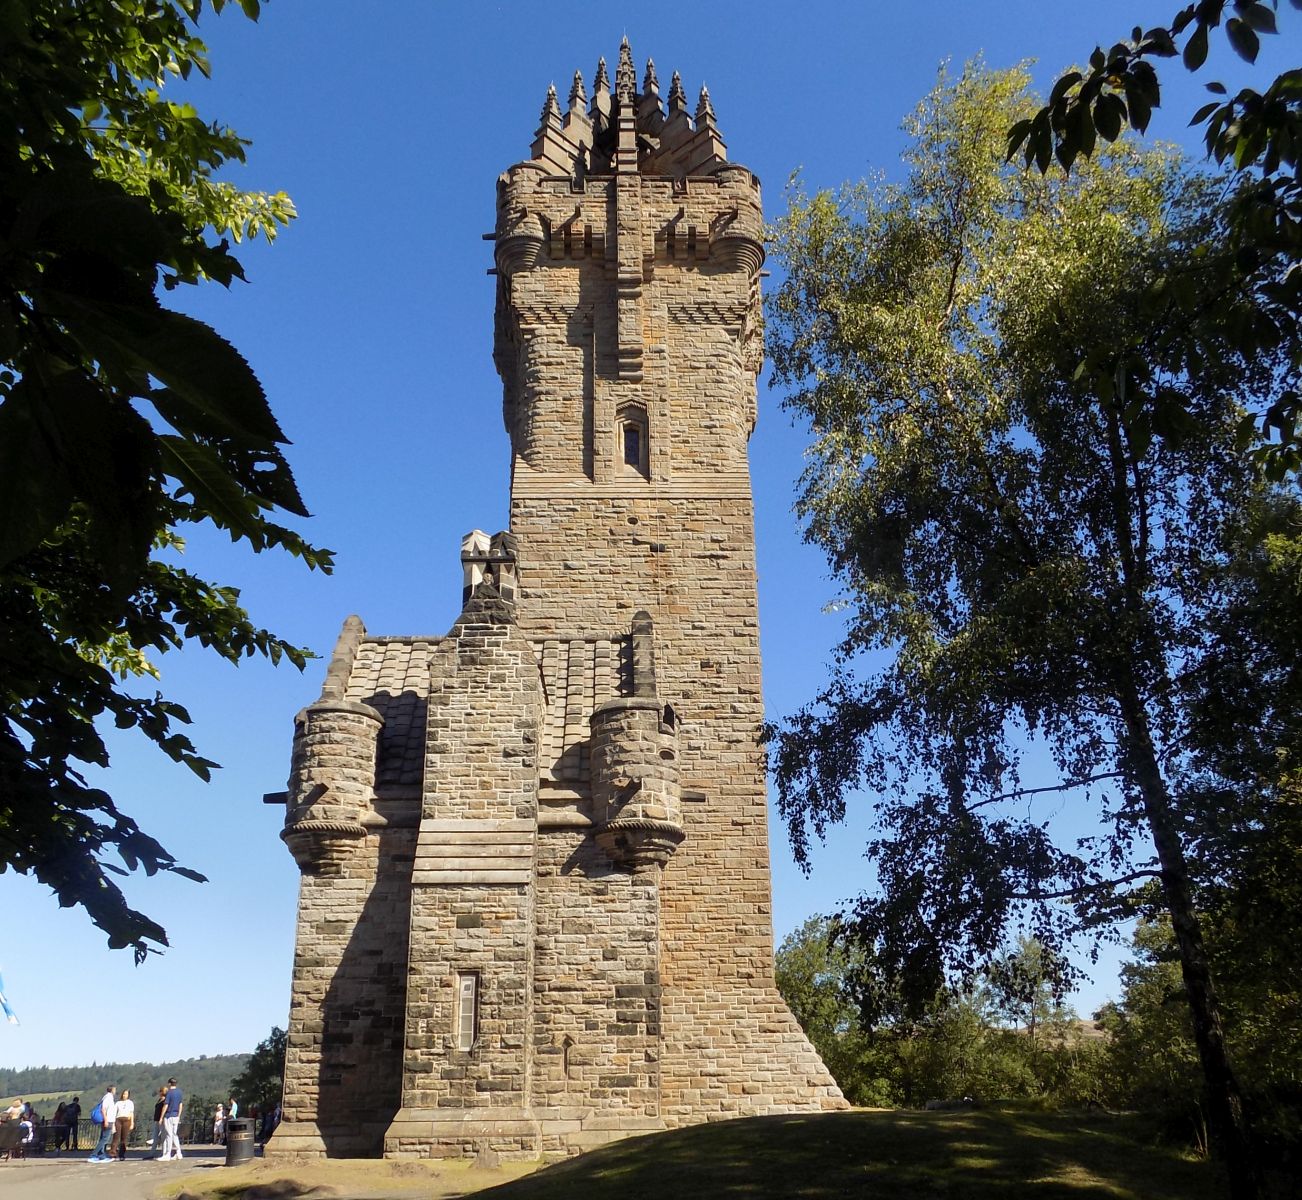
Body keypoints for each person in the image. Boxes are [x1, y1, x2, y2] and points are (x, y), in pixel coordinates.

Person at [87, 1084, 116, 1163]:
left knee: (103, 1138)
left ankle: (101, 1155)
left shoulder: (107, 1097)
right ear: (112, 1090)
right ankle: (93, 1155)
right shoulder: (108, 1098)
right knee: (105, 1139)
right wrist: (106, 1120)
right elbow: (103, 1109)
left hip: (108, 1120)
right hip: (108, 1120)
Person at [159, 1077, 183, 1160]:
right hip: (176, 1115)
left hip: (169, 1115)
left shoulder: (169, 1092)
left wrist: (161, 1117)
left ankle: (167, 1154)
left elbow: (166, 1105)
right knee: (174, 1134)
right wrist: (179, 1115)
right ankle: (179, 1153)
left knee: (169, 1135)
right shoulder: (179, 1092)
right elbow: (180, 1104)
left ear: (169, 1084)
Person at [112, 1088, 134, 1161]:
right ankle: (113, 1154)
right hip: (118, 1119)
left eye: (126, 1094)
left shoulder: (130, 1103)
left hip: (126, 1120)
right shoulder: (118, 1103)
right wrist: (113, 1123)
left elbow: (131, 1113)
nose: (125, 1095)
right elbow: (114, 1113)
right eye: (124, 1094)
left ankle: (122, 1154)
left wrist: (132, 1123)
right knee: (116, 1137)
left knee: (123, 1138)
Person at [151, 1086, 167, 1154]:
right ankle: (152, 1152)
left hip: (161, 1120)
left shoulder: (164, 1100)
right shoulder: (160, 1100)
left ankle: (164, 1152)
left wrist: (161, 1118)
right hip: (157, 1120)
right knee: (155, 1136)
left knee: (163, 1136)